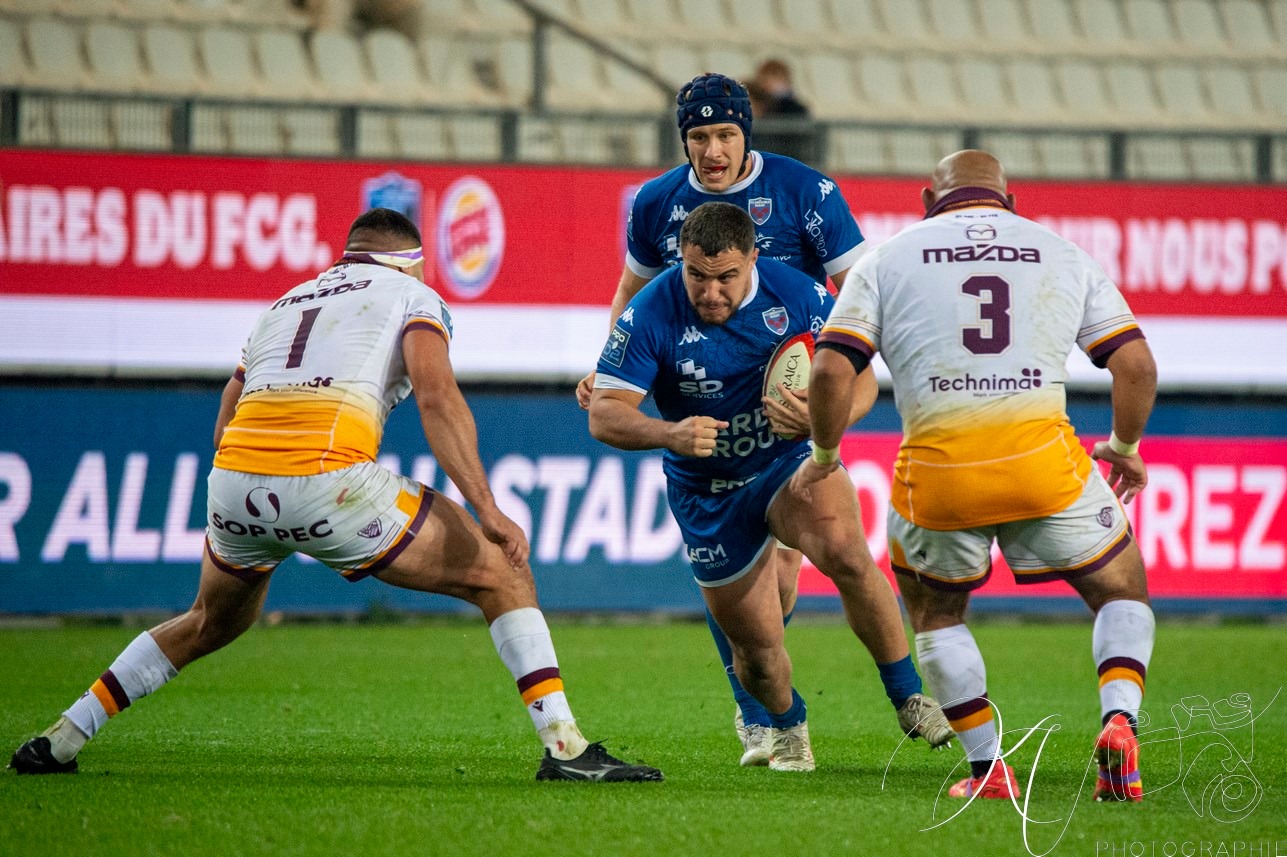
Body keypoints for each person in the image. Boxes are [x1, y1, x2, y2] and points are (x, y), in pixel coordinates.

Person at [9, 208, 662, 784]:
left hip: (234, 481)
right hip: (327, 480)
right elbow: (437, 397)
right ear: (410, 262)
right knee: (502, 572)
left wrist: (253, 496)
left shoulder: (285, 304)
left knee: (209, 620)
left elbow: (228, 412)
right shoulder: (414, 296)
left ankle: (61, 737)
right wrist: (487, 509)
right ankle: (566, 745)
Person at [794, 151, 1157, 801]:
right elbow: (1133, 365)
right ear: (1006, 198)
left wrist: (822, 457)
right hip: (1043, 468)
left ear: (929, 195)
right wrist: (1123, 445)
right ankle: (1119, 722)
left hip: (939, 475)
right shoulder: (1060, 252)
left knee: (936, 614)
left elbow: (827, 373)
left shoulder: (887, 257)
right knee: (1121, 589)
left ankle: (988, 769)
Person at [588, 202, 953, 772]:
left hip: (787, 464)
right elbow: (605, 413)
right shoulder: (650, 310)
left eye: (726, 277)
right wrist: (670, 432)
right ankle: (786, 723)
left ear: (753, 260)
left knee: (846, 554)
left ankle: (908, 695)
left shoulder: (800, 295)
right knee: (757, 653)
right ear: (681, 261)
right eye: (697, 276)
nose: (710, 292)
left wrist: (821, 423)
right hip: (706, 492)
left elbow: (859, 380)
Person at [575, 72, 872, 765]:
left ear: (746, 135)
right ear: (683, 139)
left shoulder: (806, 190)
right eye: (698, 136)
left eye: (724, 134)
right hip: (707, 403)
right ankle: (756, 706)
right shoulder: (655, 203)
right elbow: (633, 291)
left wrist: (838, 384)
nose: (711, 150)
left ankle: (758, 681)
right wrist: (608, 364)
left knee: (786, 579)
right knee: (733, 578)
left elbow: (861, 295)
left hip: (787, 403)